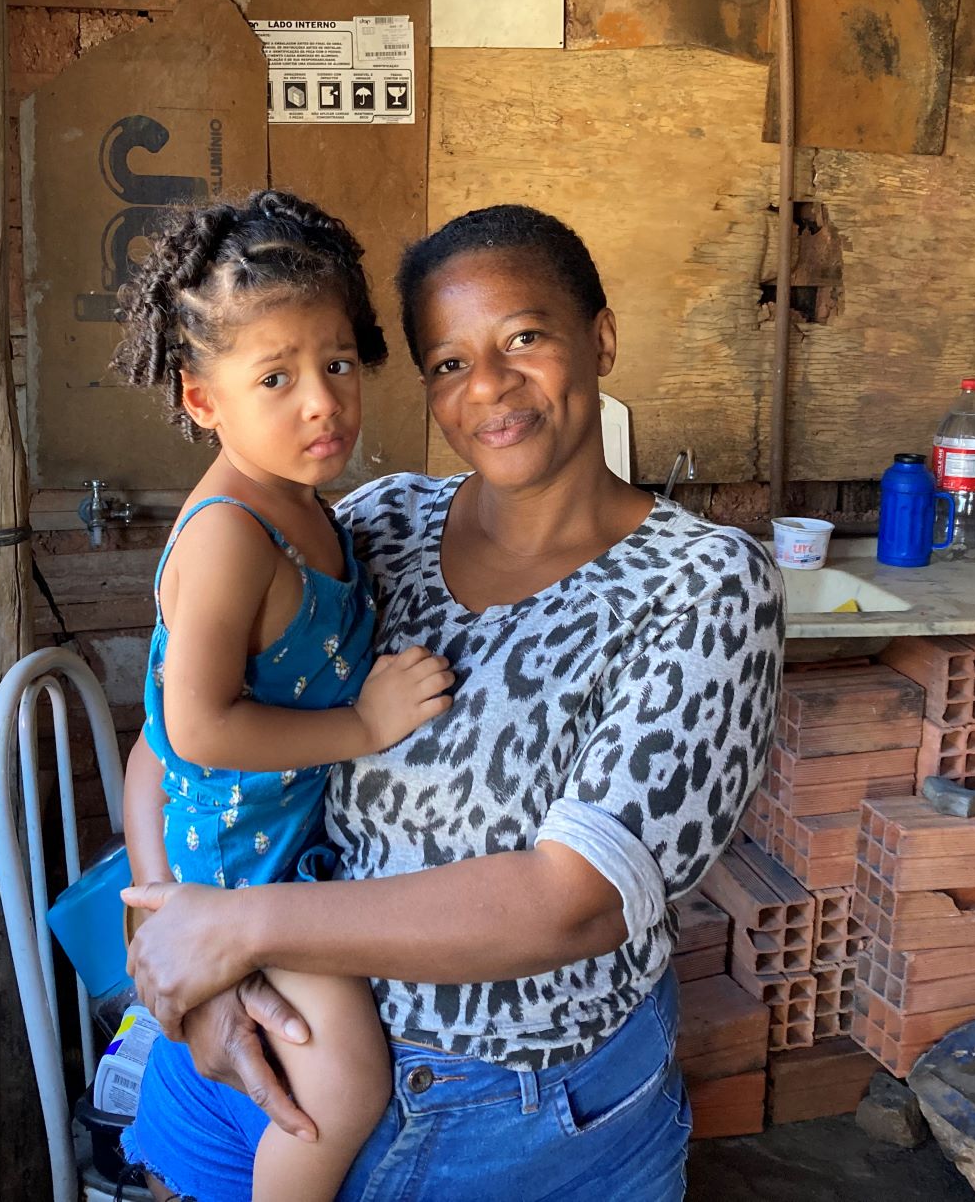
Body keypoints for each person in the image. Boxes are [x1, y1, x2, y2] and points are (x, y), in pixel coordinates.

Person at [122, 203, 784, 1202]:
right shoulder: (374, 526)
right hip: (256, 1060)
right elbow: (174, 741)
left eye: (525, 338)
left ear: (599, 337)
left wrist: (244, 929)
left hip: (511, 1133)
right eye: (446, 362)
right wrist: (186, 962)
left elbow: (571, 903)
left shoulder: (702, 585)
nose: (489, 387)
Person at [110, 188, 457, 1200]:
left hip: (275, 847)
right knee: (345, 1081)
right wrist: (364, 724)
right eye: (276, 377)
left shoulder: (305, 507)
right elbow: (194, 729)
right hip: (241, 861)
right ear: (201, 399)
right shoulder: (230, 534)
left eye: (338, 363)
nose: (322, 401)